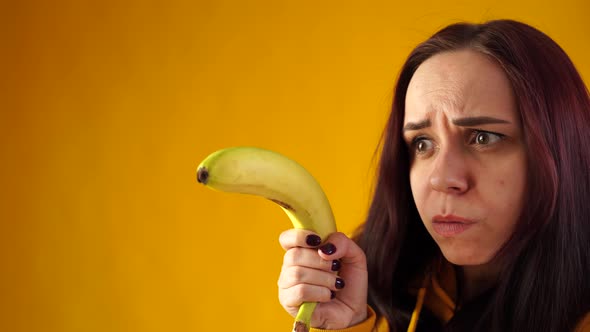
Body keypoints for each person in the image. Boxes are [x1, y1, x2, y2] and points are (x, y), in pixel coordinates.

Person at [277, 19, 590, 332]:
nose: (441, 178)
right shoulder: (365, 279)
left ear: (558, 146)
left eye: (483, 137)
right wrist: (344, 325)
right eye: (423, 143)